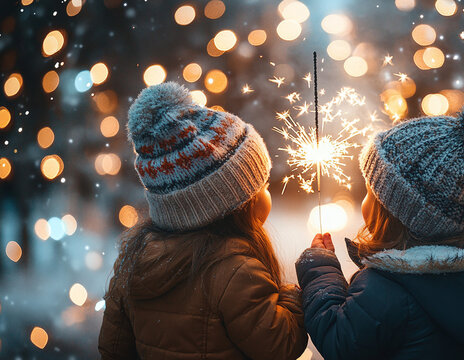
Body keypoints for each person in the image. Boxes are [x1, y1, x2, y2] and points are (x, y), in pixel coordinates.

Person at [296, 102, 464, 360]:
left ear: (394, 214)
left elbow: (340, 340)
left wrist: (319, 270)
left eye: (370, 193)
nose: (364, 202)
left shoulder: (389, 289)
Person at [99, 82, 308, 360]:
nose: (266, 192)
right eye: (261, 185)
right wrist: (294, 294)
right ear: (236, 206)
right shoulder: (235, 271)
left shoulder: (133, 262)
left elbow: (113, 349)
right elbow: (282, 344)